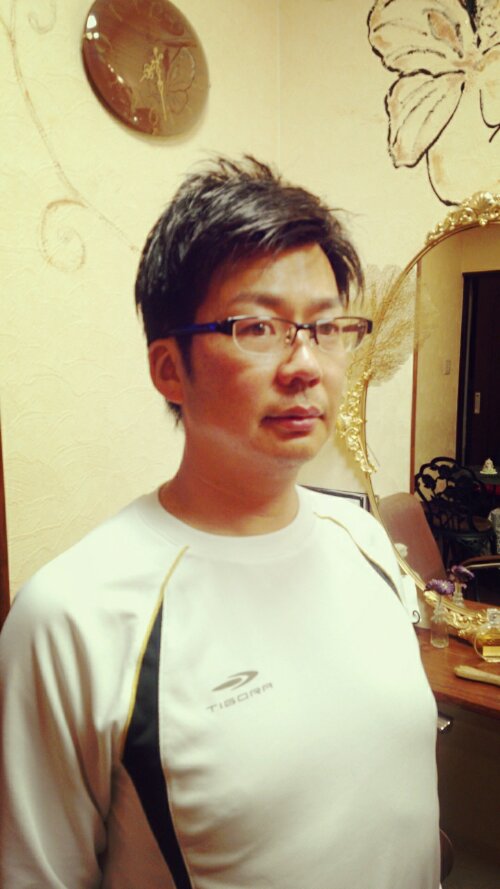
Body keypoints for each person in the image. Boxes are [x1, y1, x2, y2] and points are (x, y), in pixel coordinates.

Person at [0, 156, 441, 889]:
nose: (306, 365)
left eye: (326, 327)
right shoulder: (73, 616)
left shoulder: (363, 540)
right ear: (169, 369)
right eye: (258, 326)